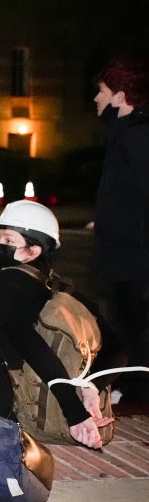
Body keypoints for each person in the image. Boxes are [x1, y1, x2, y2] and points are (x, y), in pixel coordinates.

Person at [0, 200, 128, 449]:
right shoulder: (66, 290)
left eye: (8, 241)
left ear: (33, 250)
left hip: (1, 401)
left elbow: (27, 341)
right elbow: (119, 349)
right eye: (0, 239)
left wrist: (75, 413)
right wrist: (91, 385)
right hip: (44, 400)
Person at [92, 59, 149, 399]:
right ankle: (132, 388)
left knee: (133, 330)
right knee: (127, 328)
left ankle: (139, 395)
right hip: (125, 257)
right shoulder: (125, 135)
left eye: (101, 92)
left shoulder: (138, 136)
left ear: (120, 96)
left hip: (135, 260)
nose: (96, 99)